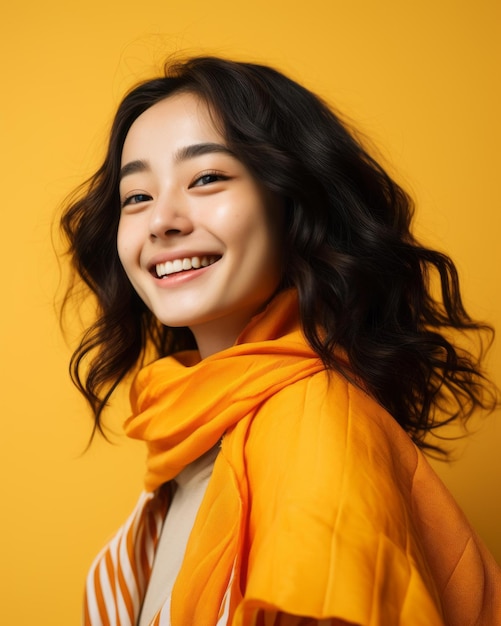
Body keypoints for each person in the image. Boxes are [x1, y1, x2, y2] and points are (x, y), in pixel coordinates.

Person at [60, 56, 501, 626]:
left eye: (207, 178)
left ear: (293, 206)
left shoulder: (318, 427)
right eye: (136, 196)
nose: (161, 220)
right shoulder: (192, 436)